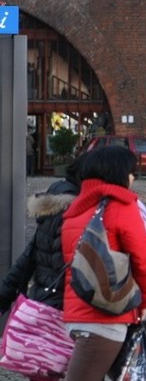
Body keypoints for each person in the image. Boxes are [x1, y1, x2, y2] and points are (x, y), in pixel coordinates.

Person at [61, 146, 146, 381]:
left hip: (76, 314)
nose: (133, 179)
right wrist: (144, 301)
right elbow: (143, 259)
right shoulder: (122, 206)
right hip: (105, 318)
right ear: (120, 173)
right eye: (132, 173)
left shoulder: (76, 210)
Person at [0, 153, 87, 380]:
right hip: (64, 308)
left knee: (43, 368)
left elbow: (27, 259)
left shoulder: (52, 209)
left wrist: (5, 294)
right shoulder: (76, 212)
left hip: (41, 302)